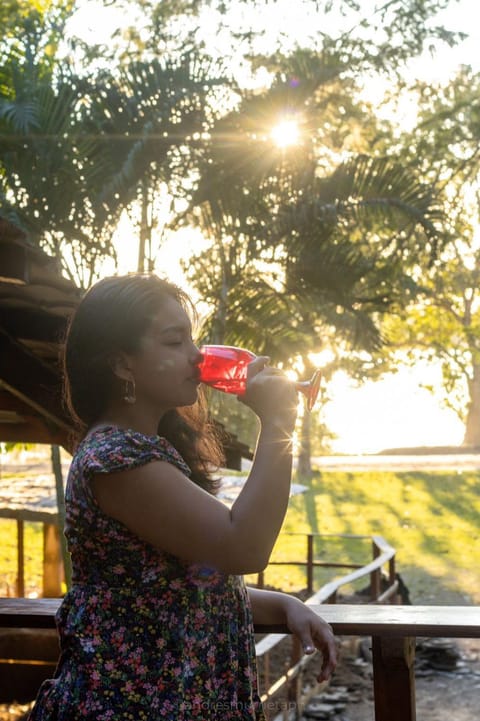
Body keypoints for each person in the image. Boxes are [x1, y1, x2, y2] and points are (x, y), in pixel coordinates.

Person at [28, 273, 337, 720]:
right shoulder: (117, 459)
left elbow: (173, 590)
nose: (196, 356)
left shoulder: (144, 451)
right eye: (174, 342)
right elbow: (244, 547)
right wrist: (279, 420)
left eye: (191, 339)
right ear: (122, 365)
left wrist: (283, 604)